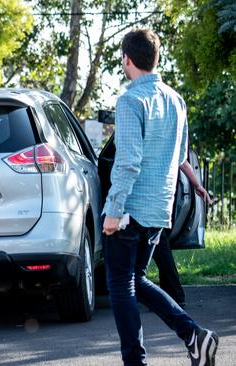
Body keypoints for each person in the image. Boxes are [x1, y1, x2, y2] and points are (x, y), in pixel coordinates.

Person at [102, 29, 218, 365]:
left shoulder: (130, 101)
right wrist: (195, 184)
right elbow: (179, 154)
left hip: (129, 210)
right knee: (134, 278)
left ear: (127, 59)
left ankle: (135, 362)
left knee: (121, 285)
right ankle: (194, 335)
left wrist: (114, 208)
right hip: (158, 210)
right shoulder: (175, 100)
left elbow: (128, 161)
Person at [152, 161, 211, 309]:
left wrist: (197, 185)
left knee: (158, 246)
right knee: (158, 246)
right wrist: (197, 185)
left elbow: (182, 160)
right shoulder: (175, 137)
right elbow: (183, 160)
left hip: (154, 196)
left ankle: (174, 295)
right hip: (166, 195)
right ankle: (170, 295)